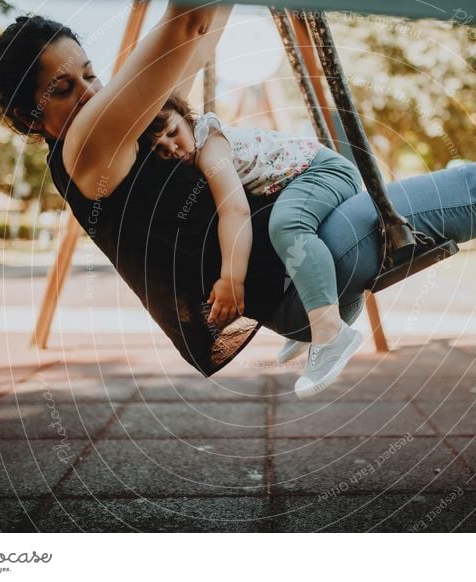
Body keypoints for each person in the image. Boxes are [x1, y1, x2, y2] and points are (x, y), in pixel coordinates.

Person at [0, 4, 476, 389]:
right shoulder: (85, 148)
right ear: (34, 118)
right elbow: (186, 23)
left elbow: (199, 33)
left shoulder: (118, 135)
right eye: (65, 87)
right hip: (301, 262)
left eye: (90, 71)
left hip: (298, 275)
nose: (91, 91)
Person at [145, 93, 363, 397]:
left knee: (287, 224)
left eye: (173, 133)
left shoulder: (209, 145)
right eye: (161, 149)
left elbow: (234, 210)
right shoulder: (195, 153)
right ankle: (315, 320)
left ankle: (330, 334)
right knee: (278, 236)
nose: (173, 148)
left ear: (186, 117)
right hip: (297, 182)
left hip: (324, 171)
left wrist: (230, 278)